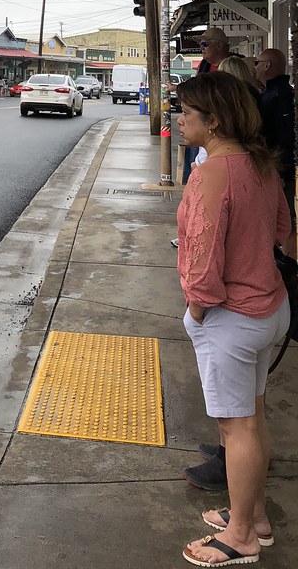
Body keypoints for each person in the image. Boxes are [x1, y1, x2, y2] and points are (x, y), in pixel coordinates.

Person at [175, 72, 291, 566]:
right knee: (254, 418)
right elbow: (284, 230)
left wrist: (198, 309)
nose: (180, 121)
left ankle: (241, 535)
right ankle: (254, 517)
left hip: (231, 318)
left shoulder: (211, 174)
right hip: (271, 307)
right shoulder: (262, 165)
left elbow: (202, 260)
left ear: (214, 122)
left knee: (235, 428)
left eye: (187, 113)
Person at [255, 48, 295, 252]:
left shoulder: (280, 95)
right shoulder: (270, 93)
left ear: (267, 65)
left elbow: (285, 137)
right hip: (272, 167)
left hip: (279, 169)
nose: (255, 68)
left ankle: (289, 265)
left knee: (285, 218)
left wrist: (280, 170)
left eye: (257, 63)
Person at [182, 29, 232, 186]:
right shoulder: (203, 66)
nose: (201, 48)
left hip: (220, 131)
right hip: (203, 130)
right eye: (200, 44)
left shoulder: (232, 66)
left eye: (205, 44)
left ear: (219, 45)